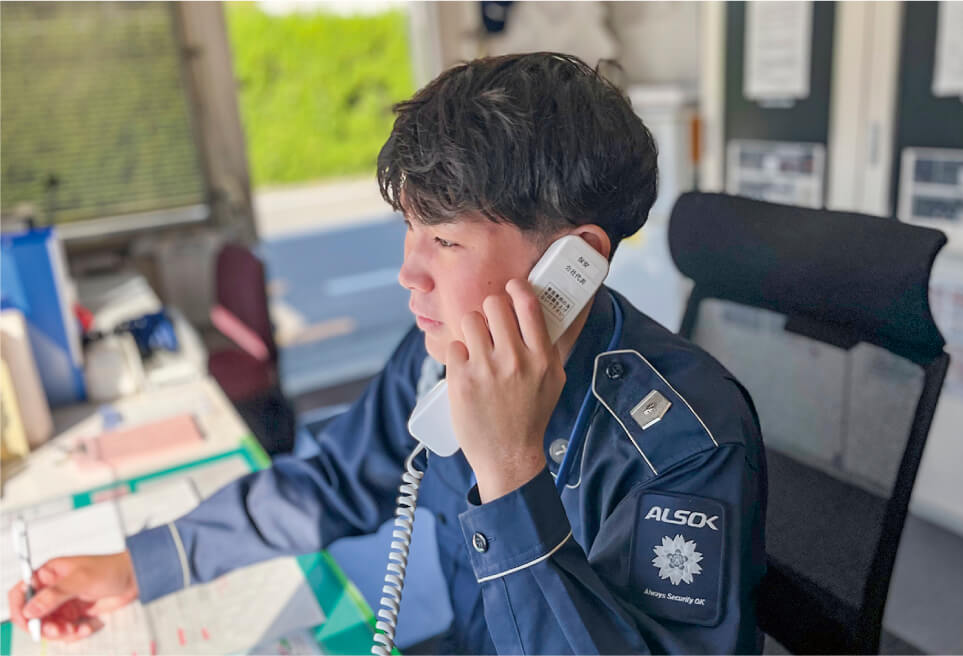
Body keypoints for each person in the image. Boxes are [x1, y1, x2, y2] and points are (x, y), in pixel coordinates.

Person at [8, 52, 766, 654]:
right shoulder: (440, 358)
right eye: (409, 229)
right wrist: (141, 565)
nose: (409, 272)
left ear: (572, 264)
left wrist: (510, 471)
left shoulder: (686, 447)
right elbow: (334, 482)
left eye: (445, 241)